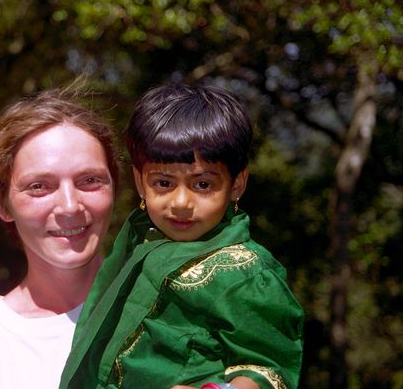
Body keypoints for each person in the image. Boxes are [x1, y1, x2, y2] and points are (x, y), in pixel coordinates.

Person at [59, 83, 304, 389]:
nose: (181, 203)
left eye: (202, 185)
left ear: (237, 184)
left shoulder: (247, 274)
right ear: (139, 181)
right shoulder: (142, 239)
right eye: (163, 183)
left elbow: (270, 368)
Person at [0, 86, 120, 389]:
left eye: (89, 180)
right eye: (39, 186)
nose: (69, 205)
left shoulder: (169, 297)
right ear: (1, 202)